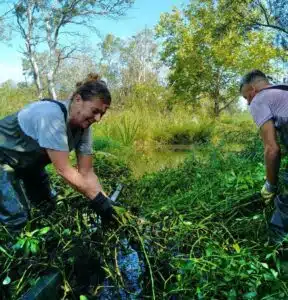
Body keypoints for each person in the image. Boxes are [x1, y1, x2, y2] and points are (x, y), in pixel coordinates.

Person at [0, 73, 115, 230]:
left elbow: (87, 172)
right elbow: (64, 170)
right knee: (17, 218)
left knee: (49, 207)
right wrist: (97, 200)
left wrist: (107, 201)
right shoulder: (51, 115)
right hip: (3, 160)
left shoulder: (84, 128)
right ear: (78, 100)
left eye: (102, 113)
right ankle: (16, 251)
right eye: (95, 110)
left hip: (29, 164)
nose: (97, 118)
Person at [240, 70, 288, 240]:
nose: (248, 103)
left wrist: (270, 185)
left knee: (285, 202)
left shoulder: (259, 99)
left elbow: (272, 149)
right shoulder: (283, 92)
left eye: (246, 98)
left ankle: (277, 251)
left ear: (252, 90)